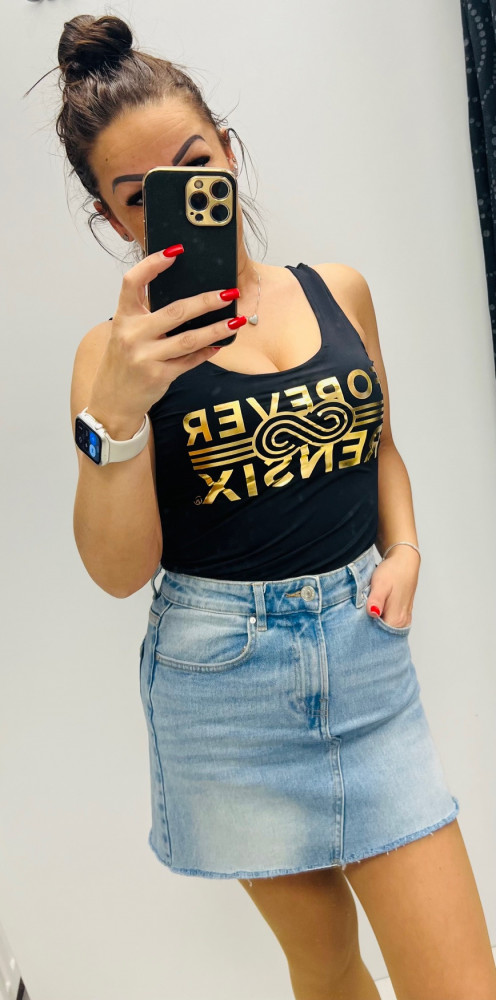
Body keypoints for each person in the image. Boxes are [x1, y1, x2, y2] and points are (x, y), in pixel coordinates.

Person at [31, 13, 496, 999]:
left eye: (195, 164)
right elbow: (118, 572)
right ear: (115, 220)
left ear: (228, 154)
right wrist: (120, 409)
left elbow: (381, 448)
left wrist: (406, 549)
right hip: (223, 688)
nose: (183, 197)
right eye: (139, 194)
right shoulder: (107, 360)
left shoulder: (339, 290)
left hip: (368, 667)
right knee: (324, 967)